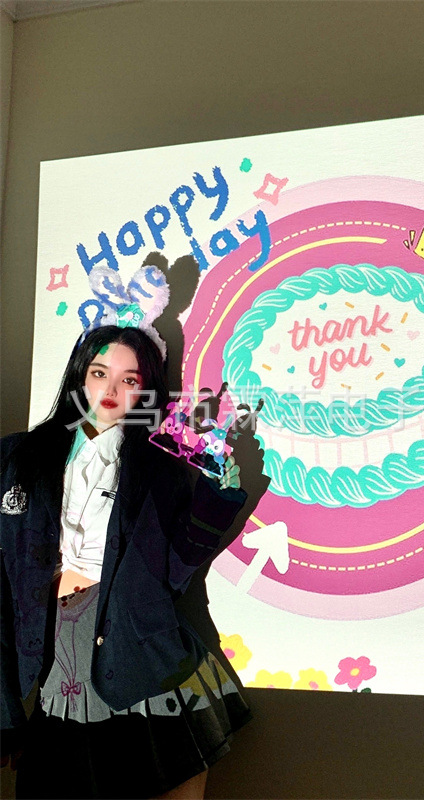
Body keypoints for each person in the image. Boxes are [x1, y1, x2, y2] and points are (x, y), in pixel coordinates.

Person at [1, 323, 251, 799]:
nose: (111, 390)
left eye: (129, 379)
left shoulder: (160, 469)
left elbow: (173, 573)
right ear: (79, 376)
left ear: (147, 391)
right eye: (99, 373)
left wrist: (217, 496)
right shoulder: (17, 457)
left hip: (143, 658)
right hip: (55, 664)